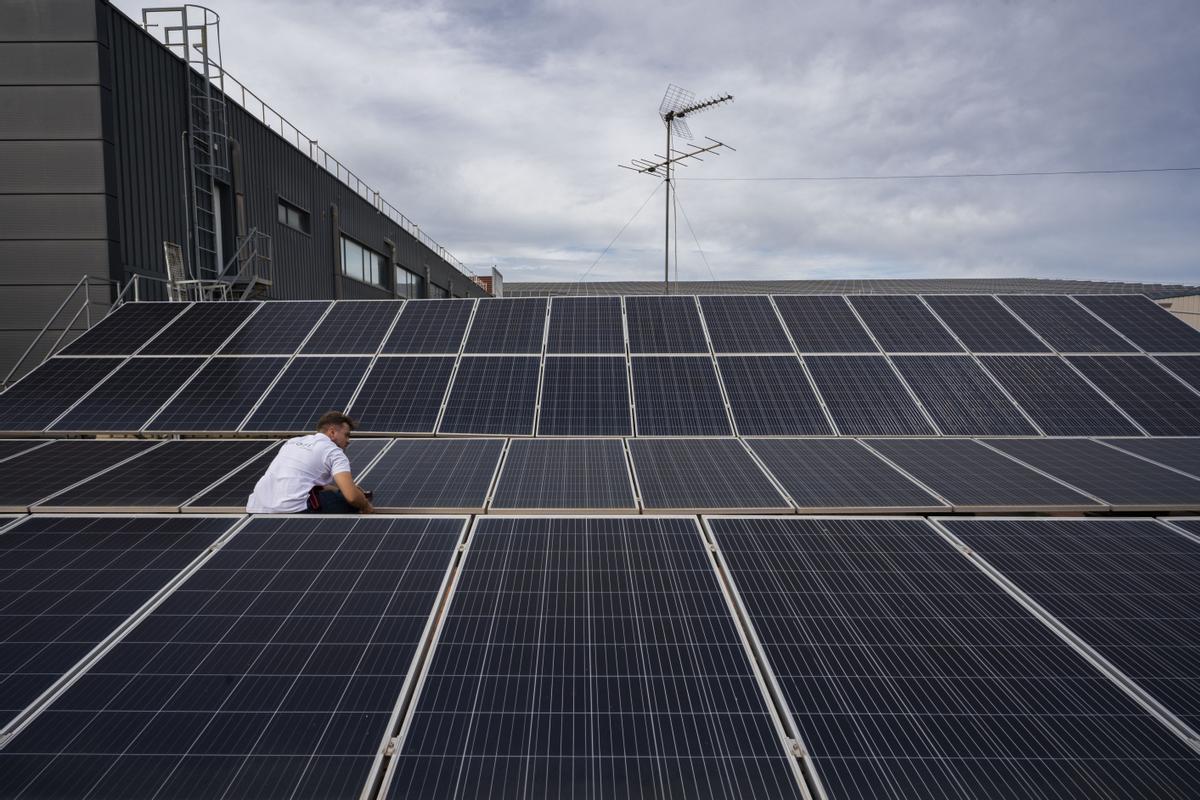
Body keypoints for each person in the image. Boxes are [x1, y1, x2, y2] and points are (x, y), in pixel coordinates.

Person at [246, 411, 374, 514]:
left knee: (337, 494)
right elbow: (351, 496)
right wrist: (365, 505)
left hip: (257, 505)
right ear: (332, 432)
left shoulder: (292, 442)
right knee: (353, 504)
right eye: (346, 435)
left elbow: (300, 479)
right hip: (292, 508)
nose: (348, 441)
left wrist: (338, 489)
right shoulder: (334, 452)